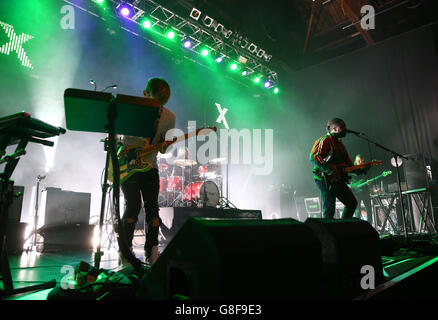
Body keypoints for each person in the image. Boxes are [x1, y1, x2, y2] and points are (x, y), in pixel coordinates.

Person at [118, 77, 175, 266]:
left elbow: (163, 150)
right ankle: (126, 254)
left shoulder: (169, 117)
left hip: (150, 166)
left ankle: (152, 251)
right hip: (128, 165)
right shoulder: (135, 109)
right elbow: (121, 136)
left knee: (151, 209)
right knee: (133, 206)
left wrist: (168, 143)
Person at [309, 118, 367, 219]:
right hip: (324, 179)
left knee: (351, 203)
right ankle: (327, 233)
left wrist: (361, 170)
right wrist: (330, 169)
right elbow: (314, 157)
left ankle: (342, 227)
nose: (345, 129)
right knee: (329, 209)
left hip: (337, 179)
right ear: (334, 129)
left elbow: (349, 165)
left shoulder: (340, 144)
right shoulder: (325, 140)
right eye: (342, 127)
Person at [349, 154, 373, 224]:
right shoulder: (353, 170)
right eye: (359, 161)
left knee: (369, 209)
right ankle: (357, 227)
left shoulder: (366, 169)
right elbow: (349, 181)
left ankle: (369, 226)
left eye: (362, 161)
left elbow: (369, 179)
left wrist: (369, 183)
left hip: (365, 191)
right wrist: (351, 186)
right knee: (357, 210)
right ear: (356, 162)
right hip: (356, 193)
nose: (361, 163)